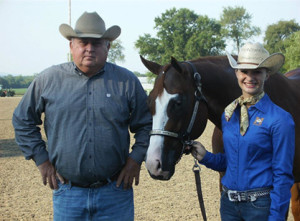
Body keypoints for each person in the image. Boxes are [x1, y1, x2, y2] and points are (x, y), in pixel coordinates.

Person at [12, 11, 152, 220]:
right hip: (68, 194)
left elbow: (147, 125)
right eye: (83, 42)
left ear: (108, 47)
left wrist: (135, 159)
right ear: (71, 46)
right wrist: (42, 160)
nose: (89, 48)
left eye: (96, 43)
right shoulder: (48, 79)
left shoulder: (127, 81)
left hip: (115, 193)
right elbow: (22, 120)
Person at [189, 43, 295, 221]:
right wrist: (205, 156)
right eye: (244, 71)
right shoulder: (229, 115)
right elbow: (232, 162)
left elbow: (283, 176)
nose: (249, 77)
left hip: (260, 207)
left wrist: (276, 218)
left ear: (267, 75)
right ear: (236, 74)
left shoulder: (280, 119)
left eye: (257, 72)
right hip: (229, 206)